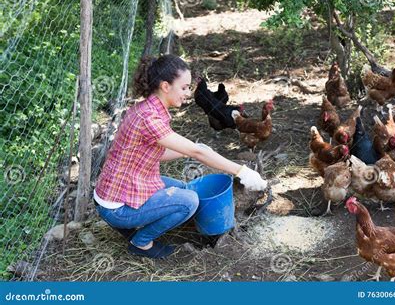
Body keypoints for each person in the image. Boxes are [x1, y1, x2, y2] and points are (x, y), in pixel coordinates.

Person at [94, 54, 267, 259]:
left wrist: (194, 148)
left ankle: (133, 224)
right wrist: (242, 171)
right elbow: (197, 153)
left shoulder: (147, 109)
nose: (187, 93)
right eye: (184, 87)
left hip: (123, 188)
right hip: (116, 207)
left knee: (183, 189)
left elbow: (155, 154)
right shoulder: (149, 118)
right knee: (188, 201)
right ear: (166, 86)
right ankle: (140, 242)